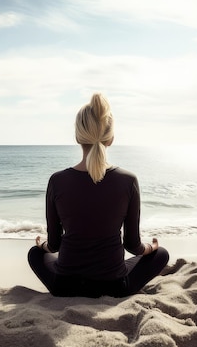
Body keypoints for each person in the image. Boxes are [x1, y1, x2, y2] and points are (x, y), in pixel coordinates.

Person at [28, 93, 169, 298]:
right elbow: (133, 246)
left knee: (34, 254)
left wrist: (41, 244)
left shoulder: (57, 181)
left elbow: (54, 245)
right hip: (114, 287)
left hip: (65, 286)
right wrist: (151, 247)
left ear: (78, 137)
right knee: (161, 254)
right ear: (110, 139)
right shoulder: (128, 180)